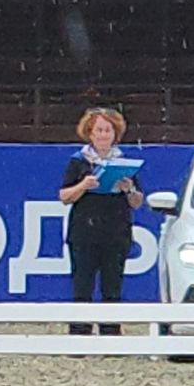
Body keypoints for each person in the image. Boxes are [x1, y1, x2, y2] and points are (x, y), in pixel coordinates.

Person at [57, 106, 144, 337]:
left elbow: (137, 202)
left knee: (112, 286)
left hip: (116, 232)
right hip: (84, 232)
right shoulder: (78, 162)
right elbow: (64, 196)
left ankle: (111, 334)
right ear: (90, 133)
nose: (104, 135)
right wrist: (83, 185)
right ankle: (80, 334)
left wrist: (129, 189)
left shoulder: (123, 162)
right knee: (82, 285)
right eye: (99, 130)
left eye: (108, 130)